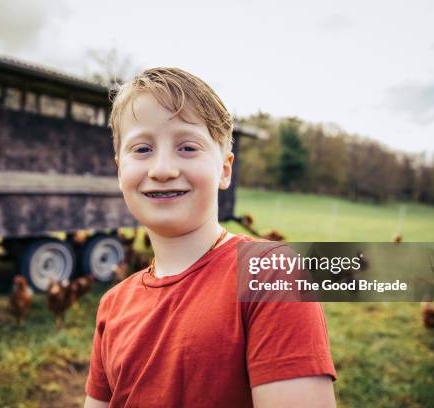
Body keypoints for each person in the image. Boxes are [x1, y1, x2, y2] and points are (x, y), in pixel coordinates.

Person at [84, 67, 337, 407]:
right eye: (141, 149)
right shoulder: (112, 306)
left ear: (225, 169)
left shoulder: (272, 273)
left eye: (188, 147)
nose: (162, 169)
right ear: (119, 170)